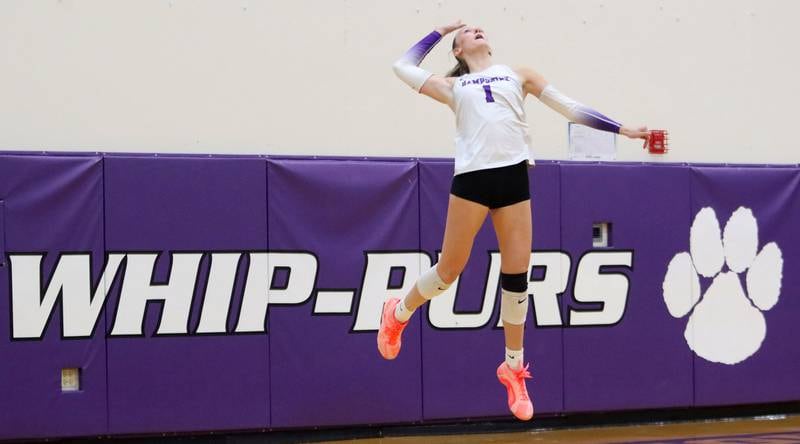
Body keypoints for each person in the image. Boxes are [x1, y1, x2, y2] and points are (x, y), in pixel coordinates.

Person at [379, 20, 649, 421]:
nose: (477, 31)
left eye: (478, 29)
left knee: (517, 275)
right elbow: (402, 66)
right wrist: (439, 30)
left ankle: (513, 367)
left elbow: (567, 106)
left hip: (513, 177)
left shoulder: (517, 73)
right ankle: (398, 311)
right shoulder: (453, 87)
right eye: (467, 33)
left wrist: (622, 128)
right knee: (449, 271)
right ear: (457, 51)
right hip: (472, 178)